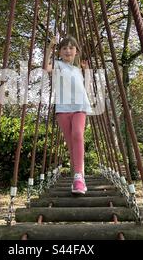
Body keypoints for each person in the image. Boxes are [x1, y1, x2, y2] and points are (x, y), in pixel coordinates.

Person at [45, 34, 92, 195]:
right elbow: (46, 68)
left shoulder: (78, 70)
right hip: (63, 108)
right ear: (60, 52)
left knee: (78, 135)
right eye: (64, 48)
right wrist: (50, 48)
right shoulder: (58, 65)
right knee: (71, 145)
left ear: (76, 51)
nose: (67, 50)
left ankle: (78, 177)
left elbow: (86, 87)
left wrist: (87, 72)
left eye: (71, 47)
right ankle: (79, 178)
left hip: (80, 105)